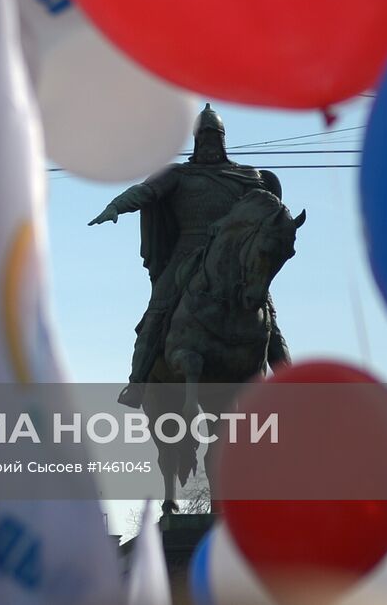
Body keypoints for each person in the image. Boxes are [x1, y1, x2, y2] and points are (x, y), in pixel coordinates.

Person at [89, 105, 283, 408]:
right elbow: (145, 193)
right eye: (202, 137)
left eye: (212, 137)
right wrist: (117, 206)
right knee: (157, 312)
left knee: (267, 315)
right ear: (195, 140)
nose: (207, 143)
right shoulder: (179, 176)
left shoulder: (248, 177)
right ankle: (137, 382)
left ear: (222, 139)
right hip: (185, 254)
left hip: (233, 260)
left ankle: (292, 381)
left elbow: (269, 212)